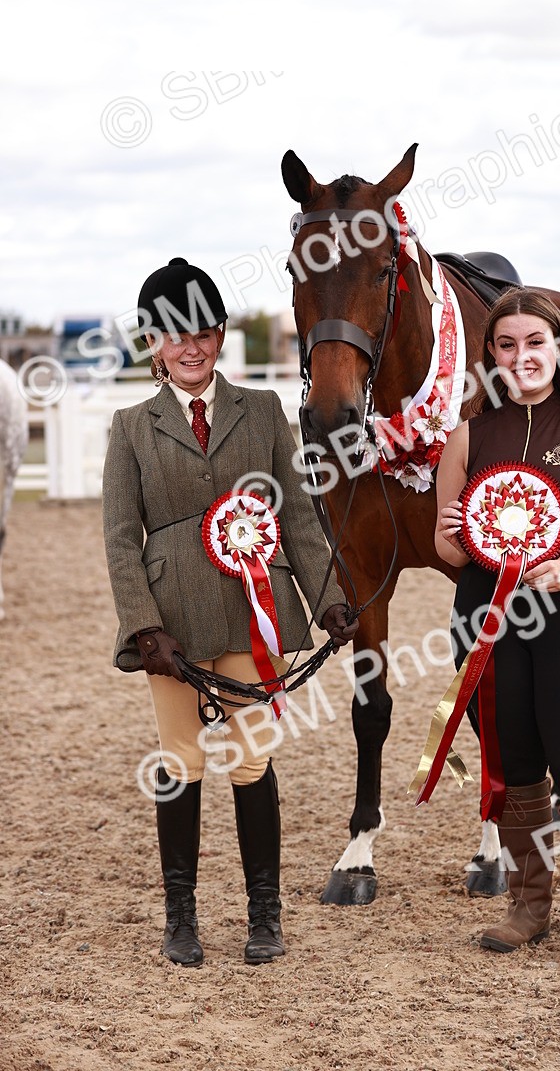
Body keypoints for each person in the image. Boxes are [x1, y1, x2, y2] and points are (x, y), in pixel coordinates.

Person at [102, 256, 356, 968]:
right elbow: (121, 539)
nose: (191, 346)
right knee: (181, 762)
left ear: (220, 335)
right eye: (174, 334)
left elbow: (299, 516)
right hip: (172, 628)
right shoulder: (130, 427)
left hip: (253, 612)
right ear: (153, 342)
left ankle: (263, 916)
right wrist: (145, 628)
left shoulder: (264, 410)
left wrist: (330, 600)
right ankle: (180, 918)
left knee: (251, 763)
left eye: (204, 331)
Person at [434, 286, 560, 960]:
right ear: (490, 354)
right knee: (514, 762)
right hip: (488, 618)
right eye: (506, 344)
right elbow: (448, 543)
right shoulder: (467, 437)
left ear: (559, 348)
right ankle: (529, 905)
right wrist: (458, 537)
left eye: (534, 343)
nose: (521, 356)